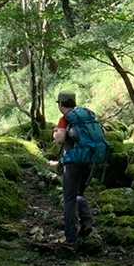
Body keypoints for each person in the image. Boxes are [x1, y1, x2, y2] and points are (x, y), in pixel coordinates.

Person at [52, 92, 96, 245]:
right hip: (89, 161)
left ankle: (70, 238)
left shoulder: (65, 118)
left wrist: (55, 133)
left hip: (72, 163)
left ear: (60, 104)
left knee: (69, 199)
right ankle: (87, 223)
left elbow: (60, 139)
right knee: (79, 194)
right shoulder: (86, 115)